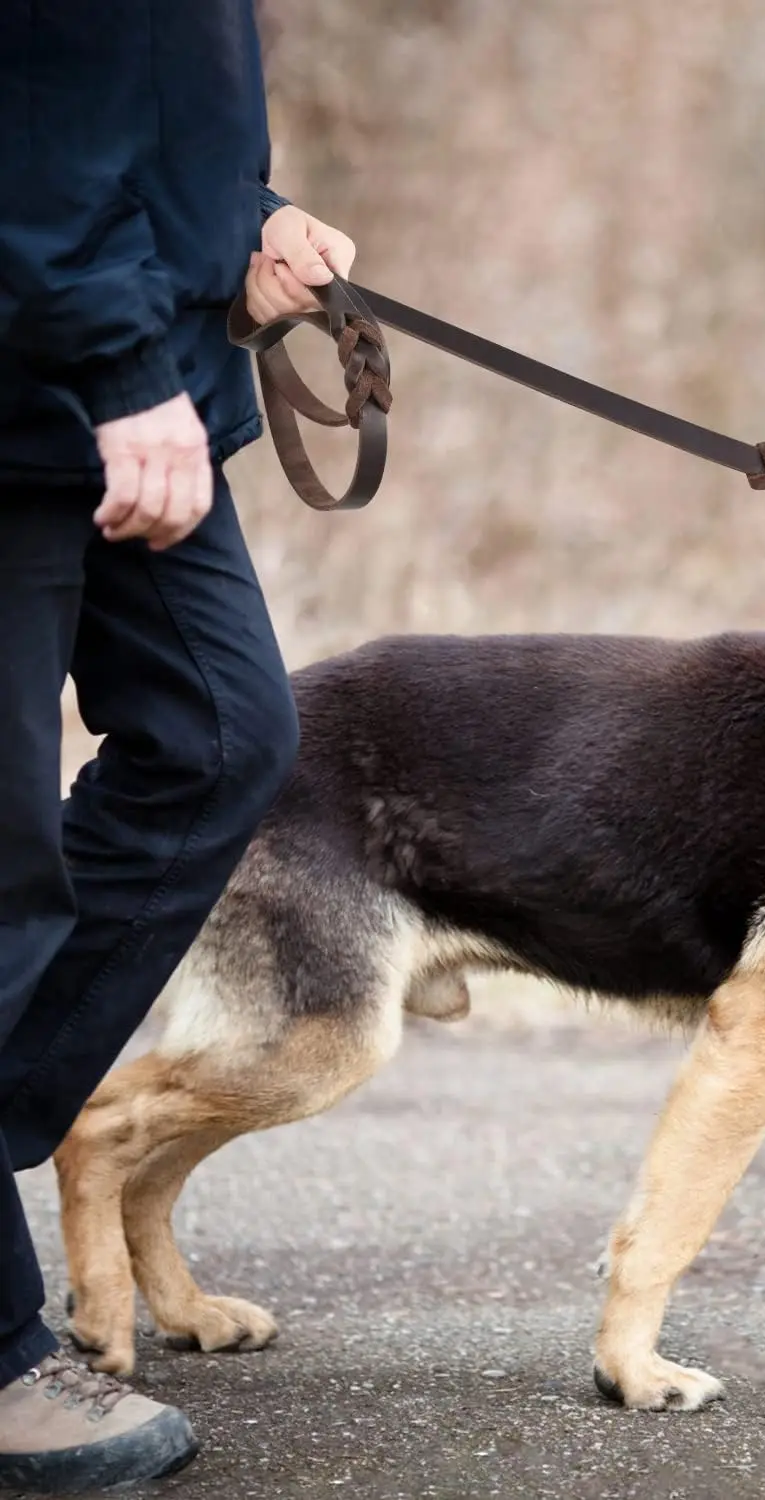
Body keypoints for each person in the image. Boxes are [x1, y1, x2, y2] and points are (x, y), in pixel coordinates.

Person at [0, 3, 355, 1489]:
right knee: (7, 861)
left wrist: (248, 218)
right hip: (57, 371)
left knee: (222, 740)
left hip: (131, 360)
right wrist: (117, 356)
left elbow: (134, 87)